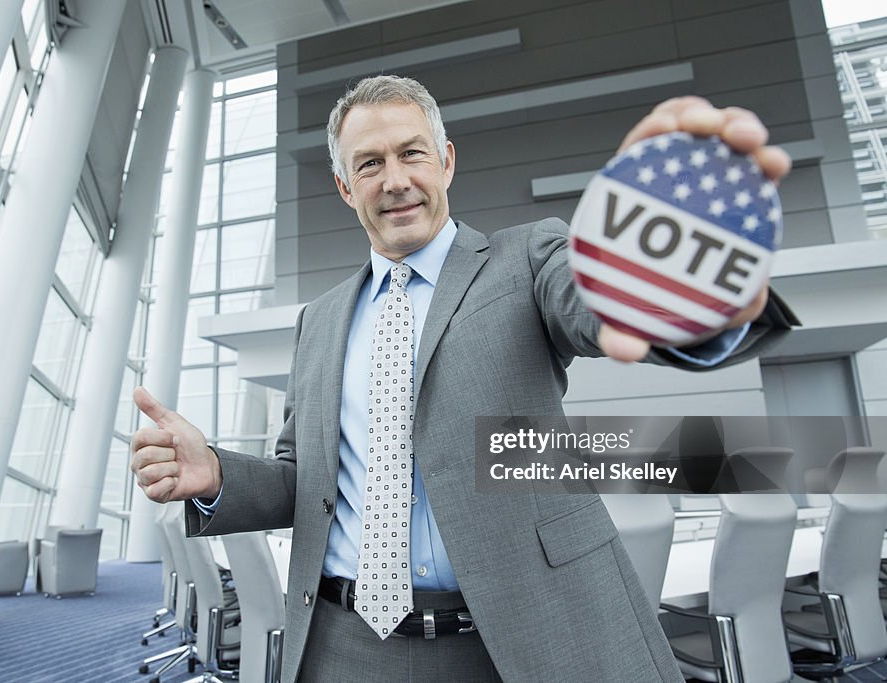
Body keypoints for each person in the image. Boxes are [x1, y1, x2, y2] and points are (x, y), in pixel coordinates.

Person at [131, 75, 795, 681]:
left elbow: (598, 301)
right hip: (343, 645)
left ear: (446, 160)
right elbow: (304, 479)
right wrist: (218, 474)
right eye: (370, 163)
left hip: (521, 642)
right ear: (345, 186)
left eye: (412, 153)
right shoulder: (319, 321)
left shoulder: (526, 260)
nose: (395, 179)